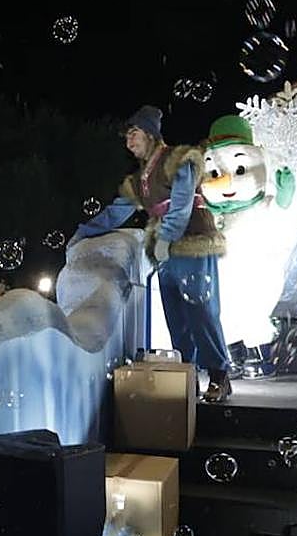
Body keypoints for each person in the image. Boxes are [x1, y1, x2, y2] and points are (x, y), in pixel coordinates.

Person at [68, 105, 233, 402]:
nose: (128, 140)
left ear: (151, 134)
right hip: (165, 250)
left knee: (201, 312)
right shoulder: (139, 178)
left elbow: (182, 204)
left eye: (134, 133)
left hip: (192, 241)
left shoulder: (178, 159)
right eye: (126, 136)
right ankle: (188, 376)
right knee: (176, 316)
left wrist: (165, 238)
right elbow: (116, 212)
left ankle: (220, 374)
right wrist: (84, 230)